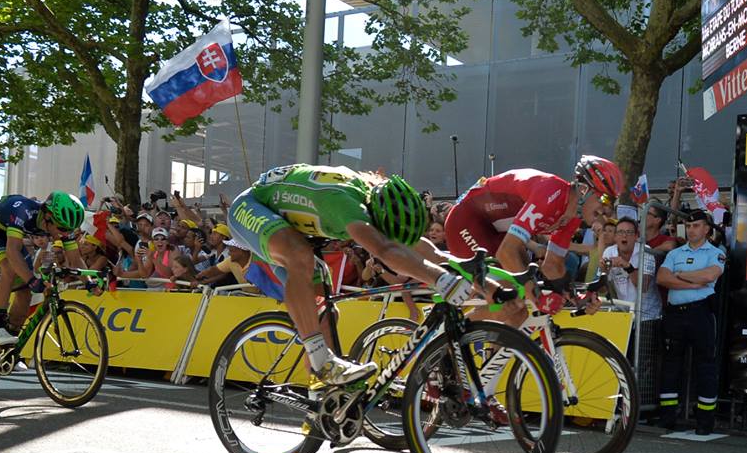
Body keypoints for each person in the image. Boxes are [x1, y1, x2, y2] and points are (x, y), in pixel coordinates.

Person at [227, 164, 506, 386]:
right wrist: (441, 280)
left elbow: (430, 253)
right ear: (374, 217)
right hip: (251, 207)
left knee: (325, 312)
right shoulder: (347, 205)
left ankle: (324, 392)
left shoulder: (375, 201)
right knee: (299, 257)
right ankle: (320, 360)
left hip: (295, 220)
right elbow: (384, 249)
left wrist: (491, 286)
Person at [441, 156, 625, 321]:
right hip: (466, 221)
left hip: (496, 232)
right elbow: (507, 252)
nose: (607, 210)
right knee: (511, 299)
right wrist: (538, 297)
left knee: (518, 313)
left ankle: (491, 355)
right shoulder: (550, 193)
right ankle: (446, 344)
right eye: (605, 200)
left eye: (612, 203)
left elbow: (553, 265)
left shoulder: (571, 218)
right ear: (584, 190)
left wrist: (579, 299)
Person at [0, 192, 86, 345]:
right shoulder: (23, 210)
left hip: (9, 235)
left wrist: (90, 282)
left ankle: (10, 347)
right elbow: (12, 251)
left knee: (25, 291)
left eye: (69, 229)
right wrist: (32, 280)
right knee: (9, 267)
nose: (65, 233)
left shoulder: (60, 226)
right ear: (48, 216)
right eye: (62, 228)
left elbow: (75, 258)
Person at [655, 209, 726, 435]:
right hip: (675, 314)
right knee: (670, 365)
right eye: (689, 225)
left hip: (701, 314)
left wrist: (680, 275)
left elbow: (709, 276)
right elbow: (662, 278)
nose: (692, 229)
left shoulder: (715, 252)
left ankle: (705, 420)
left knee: (705, 366)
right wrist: (692, 280)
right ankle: (667, 418)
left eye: (696, 225)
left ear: (706, 229)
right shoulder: (675, 253)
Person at [601, 217, 661, 320]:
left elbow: (644, 286)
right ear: (615, 237)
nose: (624, 235)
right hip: (625, 315)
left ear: (636, 236)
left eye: (629, 232)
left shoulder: (646, 251)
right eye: (620, 232)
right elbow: (602, 289)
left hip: (648, 316)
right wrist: (604, 272)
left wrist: (628, 267)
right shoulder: (609, 252)